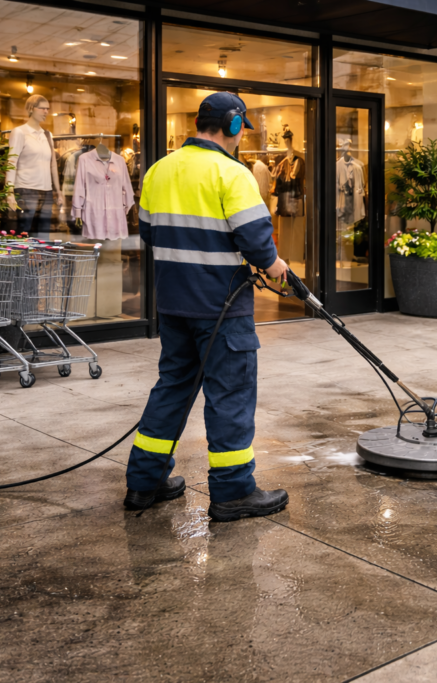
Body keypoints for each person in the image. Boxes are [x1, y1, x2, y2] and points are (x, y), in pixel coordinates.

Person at [123, 92, 291, 523]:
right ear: (234, 126)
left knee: (173, 387)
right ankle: (234, 492)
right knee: (230, 395)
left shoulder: (159, 169)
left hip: (174, 305)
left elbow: (147, 232)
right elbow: (256, 241)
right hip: (222, 306)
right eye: (241, 130)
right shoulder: (231, 173)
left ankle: (145, 482)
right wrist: (276, 268)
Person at [5, 95, 64, 233]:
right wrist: (9, 192)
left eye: (47, 109)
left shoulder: (47, 135)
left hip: (46, 191)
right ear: (31, 109)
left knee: (43, 233)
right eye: (42, 108)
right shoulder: (20, 132)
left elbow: (53, 165)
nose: (46, 112)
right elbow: (11, 162)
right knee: (24, 231)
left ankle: (41, 256)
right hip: (26, 189)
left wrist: (58, 191)